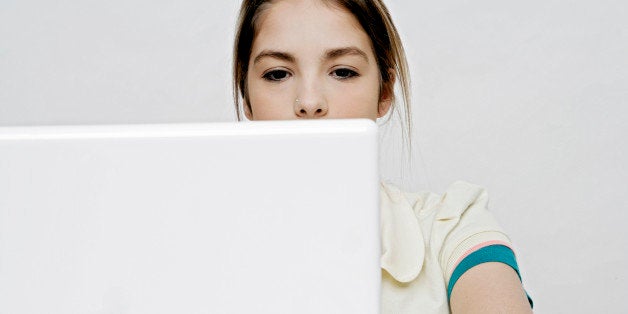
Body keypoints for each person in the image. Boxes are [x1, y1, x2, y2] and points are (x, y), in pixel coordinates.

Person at [232, 0, 533, 313]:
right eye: (278, 74)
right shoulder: (195, 241)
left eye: (343, 71)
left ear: (385, 91)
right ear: (247, 98)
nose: (309, 102)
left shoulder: (454, 230)